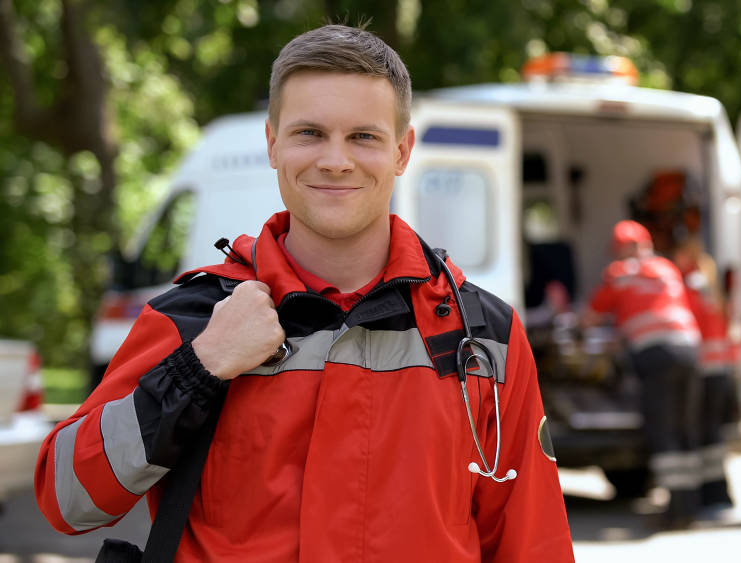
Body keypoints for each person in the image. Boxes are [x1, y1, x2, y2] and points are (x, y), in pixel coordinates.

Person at [34, 24, 575, 562]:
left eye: (363, 136)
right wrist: (200, 368)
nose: (335, 160)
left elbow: (534, 543)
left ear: (403, 151)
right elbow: (69, 501)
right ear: (273, 144)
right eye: (309, 133)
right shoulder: (196, 319)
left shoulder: (484, 336)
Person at [582, 220, 702, 530]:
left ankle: (674, 514)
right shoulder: (667, 268)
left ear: (624, 247)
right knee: (683, 428)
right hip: (689, 351)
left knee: (662, 430)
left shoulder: (620, 274)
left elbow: (589, 318)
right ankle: (688, 506)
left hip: (655, 356)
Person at [673, 234, 738, 515]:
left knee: (699, 432)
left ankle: (707, 495)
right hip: (721, 369)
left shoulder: (690, 282)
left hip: (702, 368)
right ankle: (718, 492)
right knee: (712, 434)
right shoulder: (708, 282)